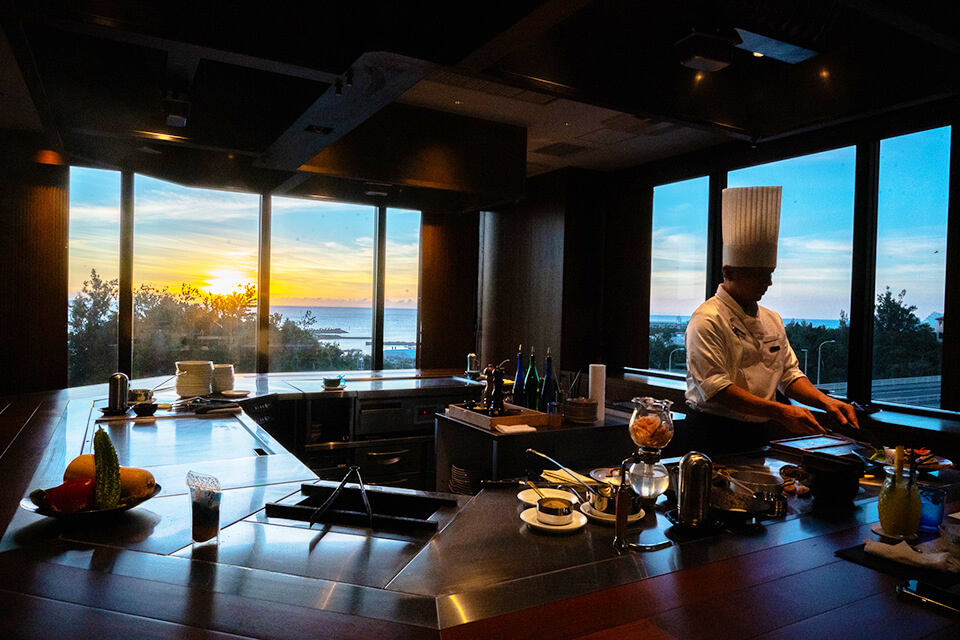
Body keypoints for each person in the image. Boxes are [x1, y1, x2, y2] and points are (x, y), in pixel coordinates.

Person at [683, 186, 859, 455]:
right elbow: (717, 389)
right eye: (759, 274)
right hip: (710, 433)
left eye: (771, 273)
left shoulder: (772, 319)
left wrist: (826, 402)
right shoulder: (706, 320)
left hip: (758, 433)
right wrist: (781, 411)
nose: (769, 282)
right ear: (728, 271)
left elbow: (788, 375)